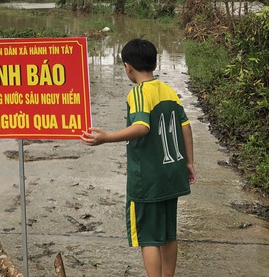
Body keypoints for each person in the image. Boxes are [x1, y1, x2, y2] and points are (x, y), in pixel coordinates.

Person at [81, 38, 195, 277]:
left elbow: (142, 126)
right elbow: (185, 126)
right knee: (168, 234)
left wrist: (107, 137)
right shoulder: (168, 91)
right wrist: (189, 162)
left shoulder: (139, 93)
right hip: (172, 174)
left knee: (149, 237)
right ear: (153, 63)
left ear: (128, 67)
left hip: (148, 180)